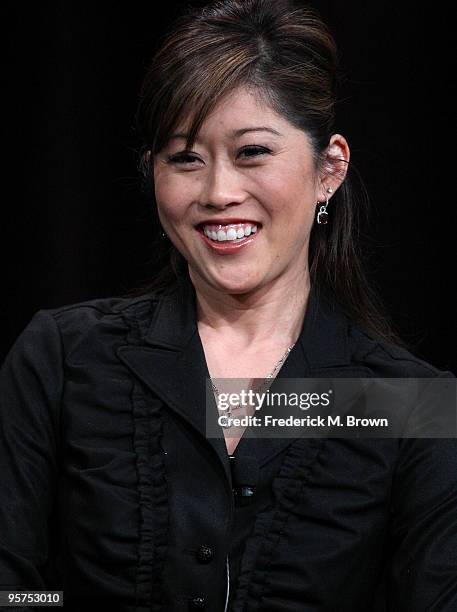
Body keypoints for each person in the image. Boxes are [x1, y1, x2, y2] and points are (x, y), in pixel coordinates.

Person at [1, 0, 456, 610]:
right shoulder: (61, 358)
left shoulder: (406, 402)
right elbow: (15, 589)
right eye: (185, 158)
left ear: (329, 168)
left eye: (253, 153)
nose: (218, 192)